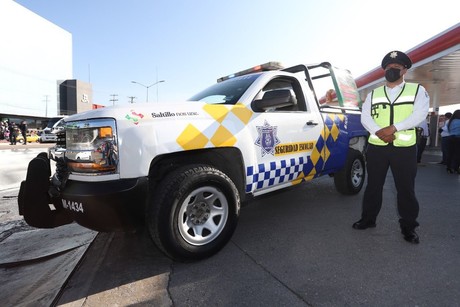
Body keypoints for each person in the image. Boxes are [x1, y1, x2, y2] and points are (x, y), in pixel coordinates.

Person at [353, 50, 430, 244]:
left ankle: (409, 227)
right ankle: (368, 219)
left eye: (396, 68)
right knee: (373, 187)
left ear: (404, 70)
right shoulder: (373, 94)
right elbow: (366, 117)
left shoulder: (417, 90)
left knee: (405, 189)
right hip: (378, 146)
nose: (391, 70)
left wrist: (394, 128)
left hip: (404, 147)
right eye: (388, 68)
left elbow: (420, 114)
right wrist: (380, 132)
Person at [446, 109, 460, 174]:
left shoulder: (450, 121)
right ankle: (456, 168)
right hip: (458, 138)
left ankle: (449, 167)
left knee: (450, 153)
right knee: (457, 154)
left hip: (450, 138)